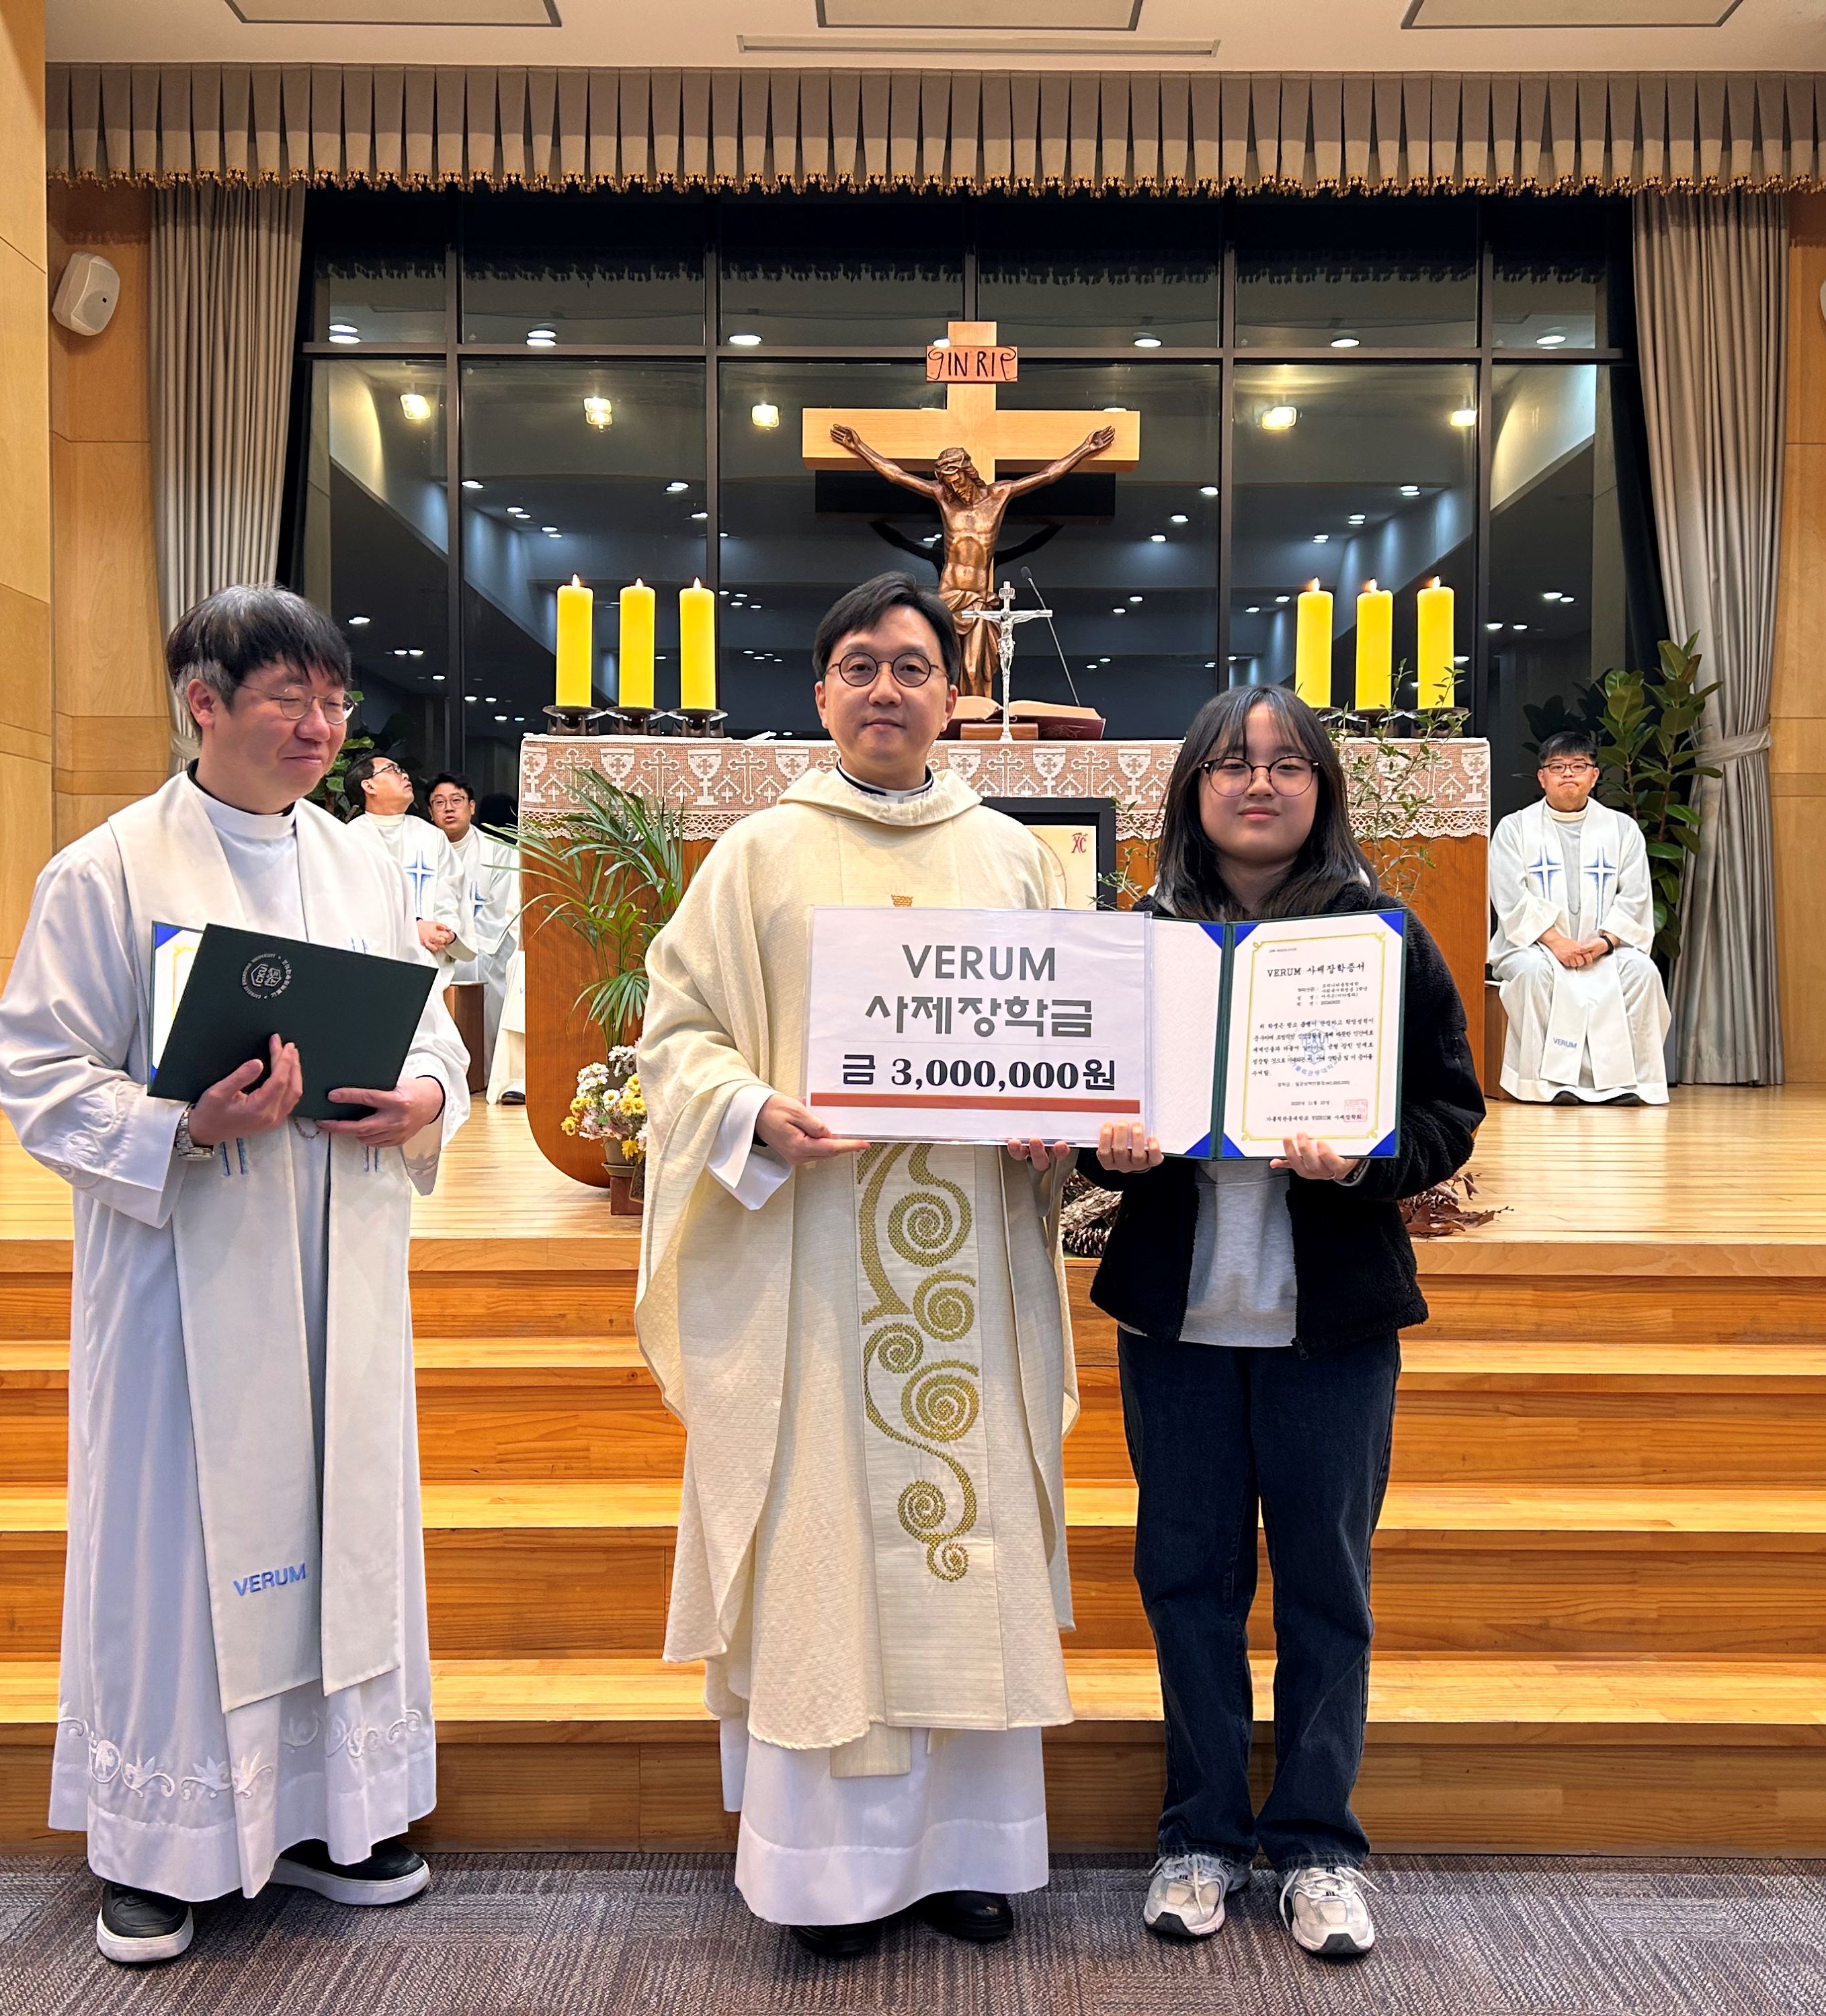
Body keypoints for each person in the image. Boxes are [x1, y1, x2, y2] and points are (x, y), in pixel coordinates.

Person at [0, 586, 470, 1968]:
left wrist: (425, 1098)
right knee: (182, 1545)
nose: (321, 727)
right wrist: (182, 1126)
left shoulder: (361, 860)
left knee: (340, 1517)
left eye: (333, 701)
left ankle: (333, 1813)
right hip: (185, 1271)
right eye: (288, 699)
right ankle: (162, 1851)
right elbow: (32, 1072)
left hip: (342, 1257)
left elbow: (428, 1027)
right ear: (202, 702)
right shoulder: (106, 871)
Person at [634, 572, 1078, 1959]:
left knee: (965, 1533)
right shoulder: (757, 855)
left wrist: (1053, 1134)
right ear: (819, 693)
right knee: (827, 1535)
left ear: (953, 693)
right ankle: (823, 1873)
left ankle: (962, 1854)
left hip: (967, 1267)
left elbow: (1067, 1043)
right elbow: (675, 1036)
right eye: (856, 665)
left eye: (910, 665)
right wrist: (748, 1111)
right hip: (810, 1270)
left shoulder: (1013, 858)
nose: (885, 688)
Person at [1077, 685, 1483, 1963]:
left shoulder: (1382, 942)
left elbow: (1449, 1117)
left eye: (1290, 765)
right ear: (1194, 788)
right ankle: (1198, 1833)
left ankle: (1314, 1846)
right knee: (1188, 1584)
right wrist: (1117, 1152)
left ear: (1323, 790)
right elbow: (1091, 1111)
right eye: (1235, 765)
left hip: (1333, 1328)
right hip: (1180, 1322)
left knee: (1326, 1587)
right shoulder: (1138, 944)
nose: (1261, 784)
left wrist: (1361, 1164)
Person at [825, 425, 1115, 696]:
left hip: (978, 598)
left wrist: (1086, 449)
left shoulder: (999, 496)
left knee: (975, 668)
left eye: (957, 482)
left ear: (969, 473)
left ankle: (976, 728)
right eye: (948, 486)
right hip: (948, 596)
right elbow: (897, 476)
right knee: (942, 667)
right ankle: (948, 726)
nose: (954, 491)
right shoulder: (943, 498)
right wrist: (860, 447)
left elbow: (1047, 476)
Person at [1487, 731, 1671, 1105]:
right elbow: (1509, 896)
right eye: (1557, 767)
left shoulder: (1622, 829)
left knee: (1643, 973)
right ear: (1542, 777)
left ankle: (1628, 1083)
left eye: (1578, 766)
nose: (1567, 774)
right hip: (1536, 945)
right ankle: (1547, 1085)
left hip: (1604, 946)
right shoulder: (1514, 828)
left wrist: (1605, 942)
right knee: (1534, 975)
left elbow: (1636, 896)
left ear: (1594, 775)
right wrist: (1557, 942)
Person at [423, 773, 520, 1101]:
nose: (448, 809)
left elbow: (502, 907)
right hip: (430, 946)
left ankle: (490, 1077)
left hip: (485, 948)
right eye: (439, 803)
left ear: (472, 807)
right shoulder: (422, 852)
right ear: (430, 812)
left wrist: (463, 942)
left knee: (489, 986)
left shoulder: (500, 851)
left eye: (456, 801)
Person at [344, 755, 470, 971]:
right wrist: (413, 928)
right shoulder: (349, 840)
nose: (404, 775)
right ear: (369, 786)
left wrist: (444, 932)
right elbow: (352, 907)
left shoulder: (431, 836)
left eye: (402, 769)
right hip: (370, 961)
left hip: (429, 960)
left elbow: (450, 895)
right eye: (392, 770)